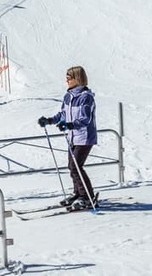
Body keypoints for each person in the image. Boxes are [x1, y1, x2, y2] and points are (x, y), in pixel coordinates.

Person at [37, 65, 98, 211]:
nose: (67, 81)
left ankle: (87, 197)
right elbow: (63, 115)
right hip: (73, 137)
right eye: (66, 78)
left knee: (76, 166)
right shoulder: (68, 96)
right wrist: (49, 120)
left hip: (85, 137)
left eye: (69, 78)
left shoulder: (86, 97)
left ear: (77, 78)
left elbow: (85, 119)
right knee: (72, 167)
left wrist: (70, 125)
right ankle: (78, 194)